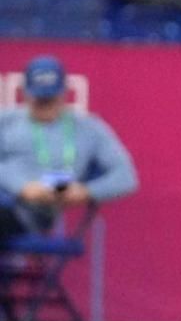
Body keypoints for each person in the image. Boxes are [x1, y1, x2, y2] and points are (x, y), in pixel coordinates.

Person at [0, 56, 138, 240]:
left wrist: (85, 192)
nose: (45, 106)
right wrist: (20, 186)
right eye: (39, 100)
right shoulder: (7, 121)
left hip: (35, 212)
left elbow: (126, 177)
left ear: (63, 93)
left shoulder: (89, 128)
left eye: (50, 99)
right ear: (25, 93)